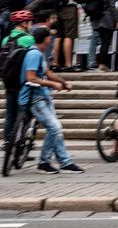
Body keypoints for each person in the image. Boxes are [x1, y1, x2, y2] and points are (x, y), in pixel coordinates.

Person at [20, 26, 82, 174]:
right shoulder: (34, 54)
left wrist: (63, 82)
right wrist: (53, 84)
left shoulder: (40, 54)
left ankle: (64, 162)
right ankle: (44, 162)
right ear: (45, 39)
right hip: (35, 98)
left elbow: (47, 72)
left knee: (56, 130)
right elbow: (31, 77)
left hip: (43, 96)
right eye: (49, 36)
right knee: (55, 128)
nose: (51, 39)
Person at [2, 9, 35, 143]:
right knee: (24, 113)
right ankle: (20, 145)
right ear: (24, 23)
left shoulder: (6, 38)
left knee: (10, 115)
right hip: (23, 80)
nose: (31, 25)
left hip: (8, 80)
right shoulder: (29, 39)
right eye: (30, 22)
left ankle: (7, 143)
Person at [84, 0, 118, 73]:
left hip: (95, 18)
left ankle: (92, 62)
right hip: (107, 19)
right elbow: (112, 6)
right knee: (105, 42)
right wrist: (116, 20)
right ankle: (102, 65)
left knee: (94, 40)